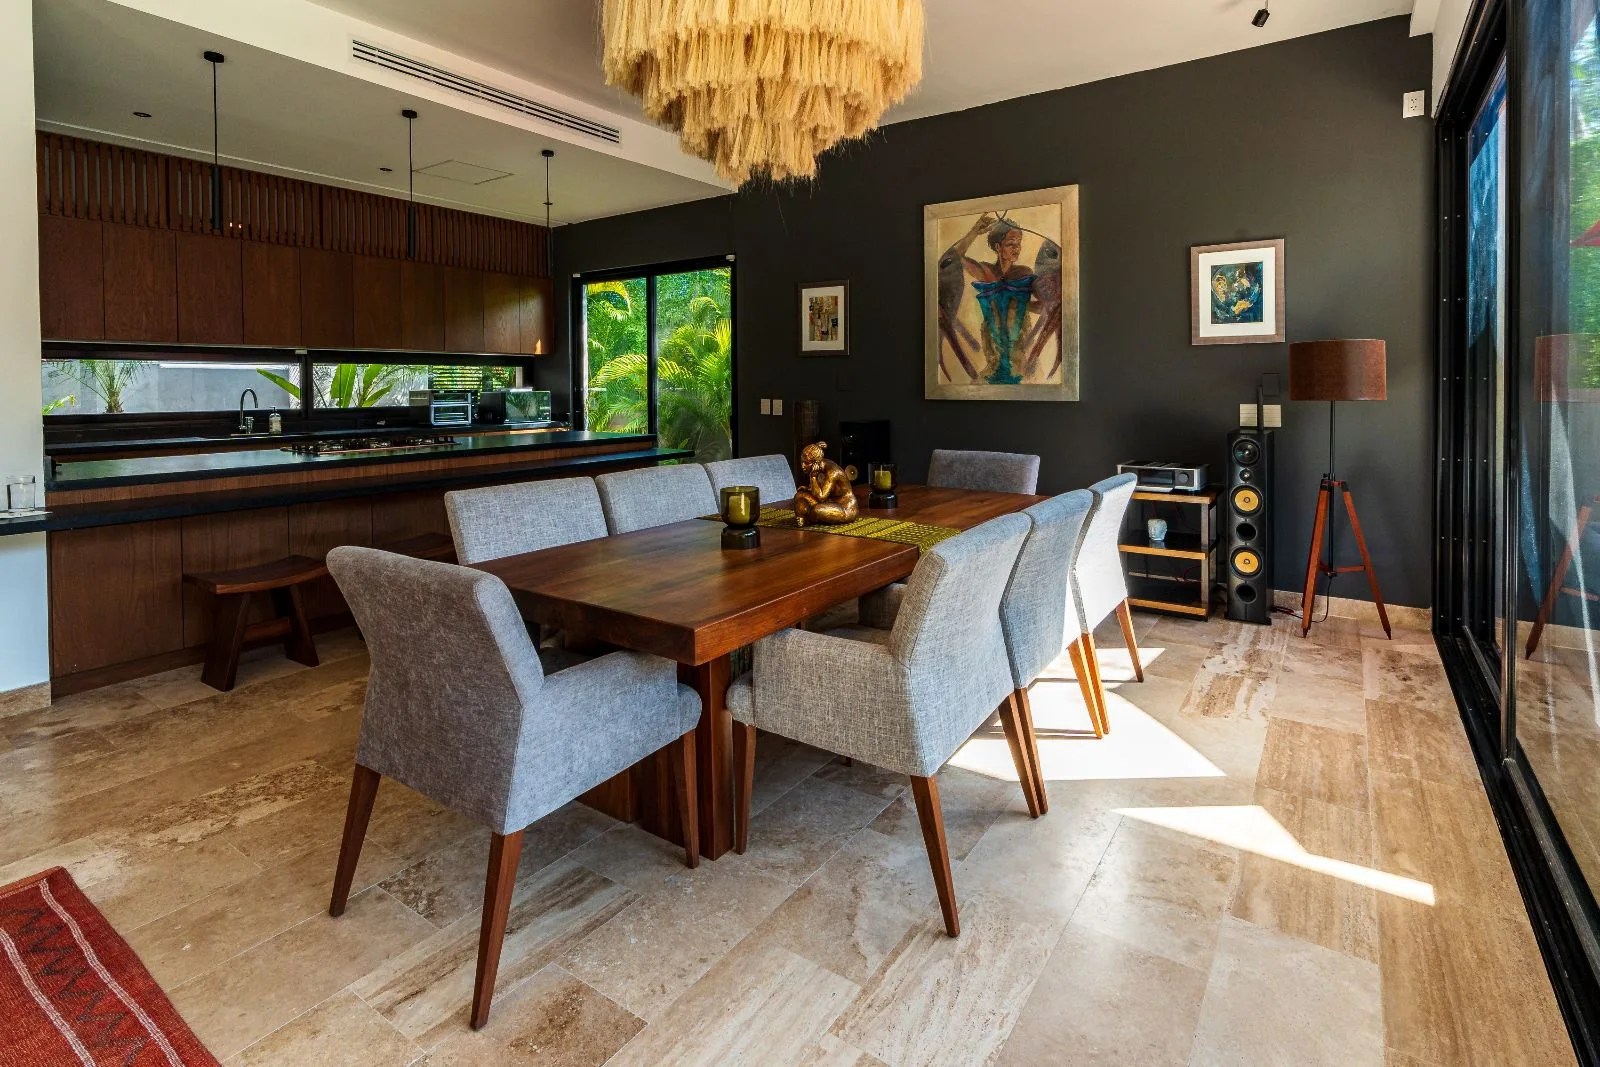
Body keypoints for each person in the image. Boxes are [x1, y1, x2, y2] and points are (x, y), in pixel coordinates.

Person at [948, 213, 1034, 384]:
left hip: (1019, 357)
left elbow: (1040, 305)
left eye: (1018, 244)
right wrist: (974, 232)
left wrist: (1020, 305)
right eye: (1010, 244)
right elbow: (954, 258)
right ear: (998, 247)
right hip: (993, 354)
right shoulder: (985, 272)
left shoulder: (1024, 273)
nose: (1016, 248)